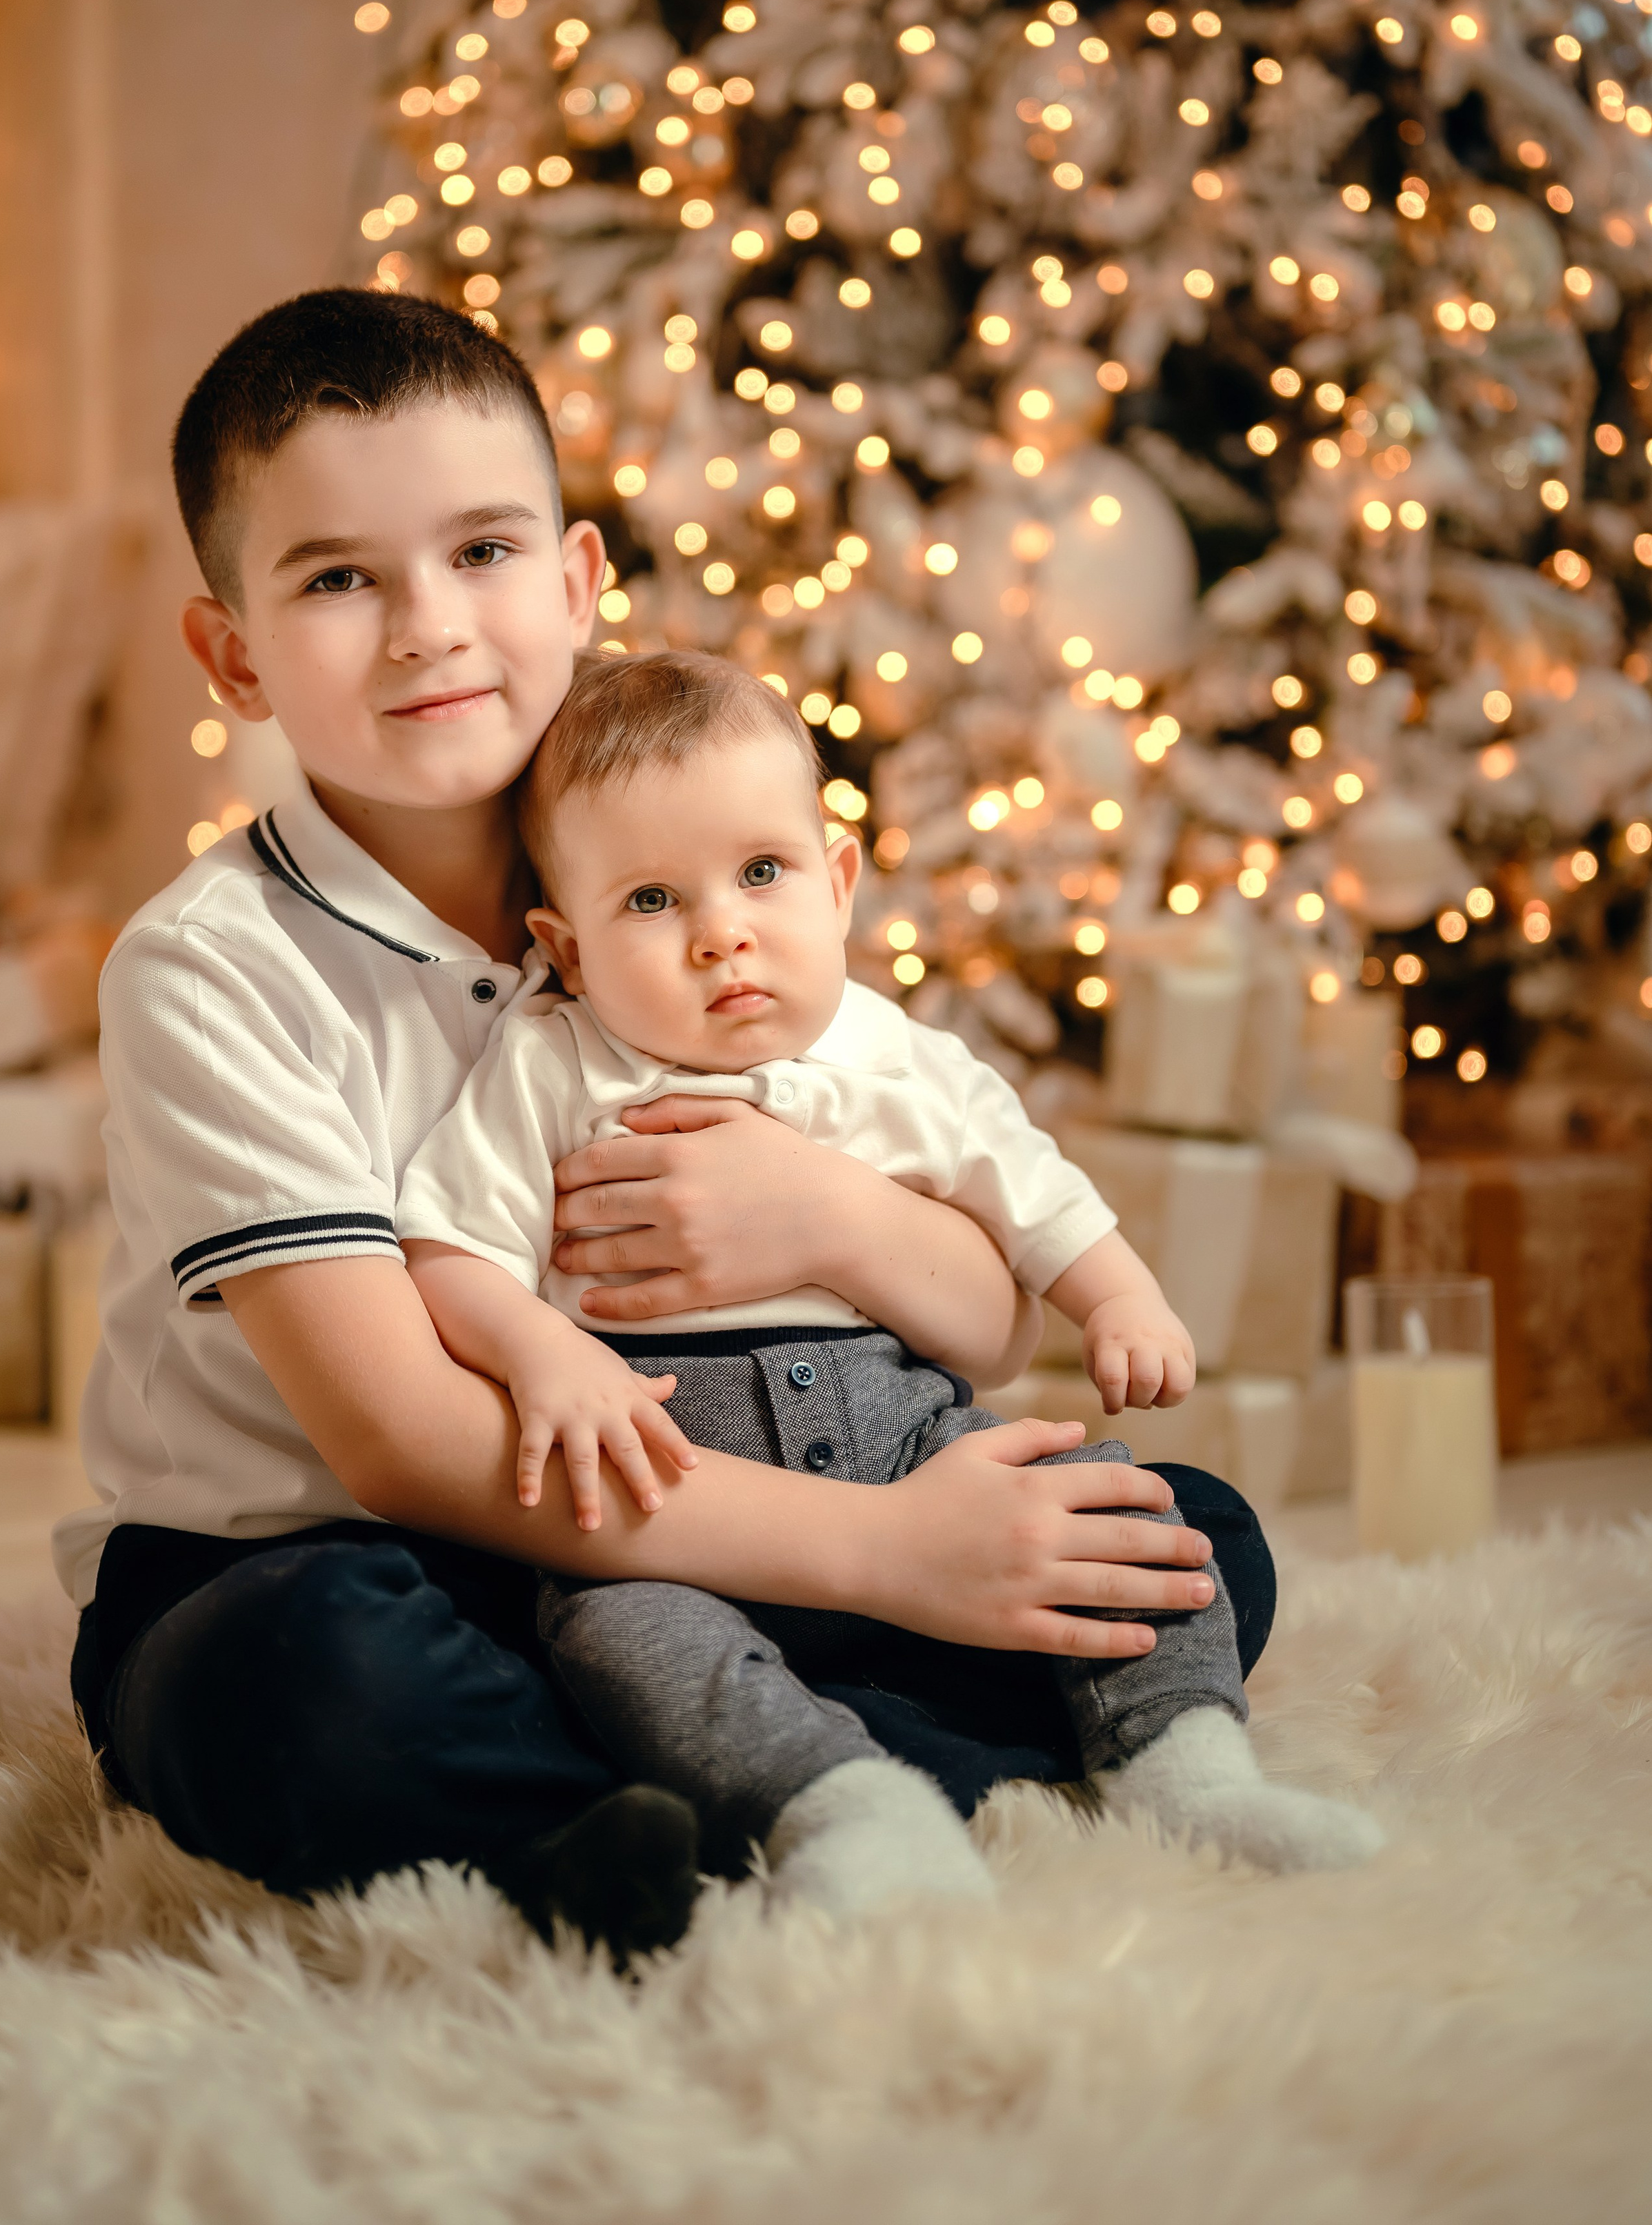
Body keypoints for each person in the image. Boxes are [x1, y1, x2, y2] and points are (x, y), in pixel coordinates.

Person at [57, 286, 1277, 1961]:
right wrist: (893, 1556)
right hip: (334, 1554)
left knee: (1174, 1534)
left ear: (572, 582)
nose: (427, 626)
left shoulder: (688, 856)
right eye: (338, 578)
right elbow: (404, 1444)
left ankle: (744, 1769)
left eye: (481, 553)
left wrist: (833, 1224)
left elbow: (985, 1314)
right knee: (295, 1674)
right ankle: (630, 1818)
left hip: (696, 1535)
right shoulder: (210, 970)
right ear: (234, 652)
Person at [400, 651, 1384, 1915]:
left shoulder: (900, 1056)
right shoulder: (552, 1067)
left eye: (764, 873)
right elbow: (445, 1251)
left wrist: (1120, 1299)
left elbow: (1032, 1195)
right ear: (567, 947)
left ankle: (1185, 1768)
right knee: (609, 1629)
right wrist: (545, 1354)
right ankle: (843, 1806)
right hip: (687, 1510)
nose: (723, 932)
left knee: (1141, 1517)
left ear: (840, 880)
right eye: (653, 899)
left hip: (922, 1456)